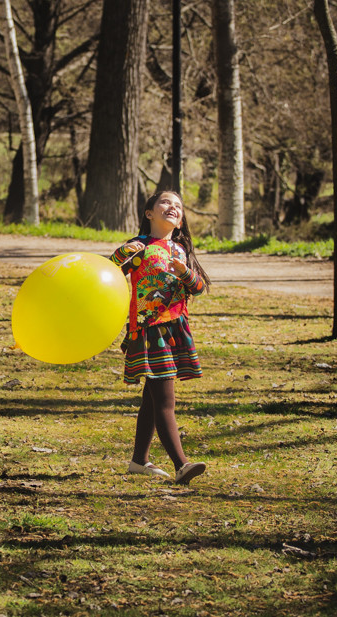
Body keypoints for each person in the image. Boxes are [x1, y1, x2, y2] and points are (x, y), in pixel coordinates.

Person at [110, 189, 210, 484]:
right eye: (165, 202)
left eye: (178, 206)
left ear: (180, 222)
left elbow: (199, 286)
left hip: (176, 329)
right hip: (149, 330)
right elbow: (108, 271)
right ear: (149, 213)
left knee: (152, 401)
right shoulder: (137, 247)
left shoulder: (181, 250)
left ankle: (139, 462)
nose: (173, 207)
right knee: (165, 401)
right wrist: (121, 255)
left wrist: (184, 273)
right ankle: (182, 465)